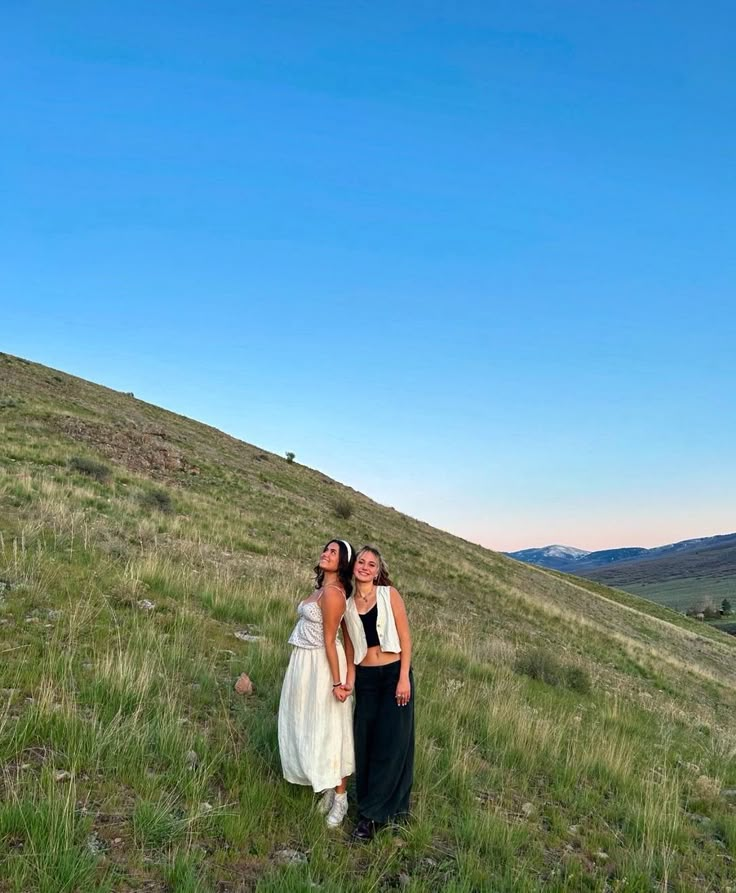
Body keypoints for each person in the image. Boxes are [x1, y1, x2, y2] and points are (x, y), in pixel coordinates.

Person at [278, 539, 356, 828]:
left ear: (342, 562)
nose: (326, 553)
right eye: (326, 549)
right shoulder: (321, 590)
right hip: (305, 663)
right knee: (310, 724)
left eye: (333, 552)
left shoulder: (335, 593)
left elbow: (332, 639)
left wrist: (339, 681)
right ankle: (325, 785)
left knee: (331, 729)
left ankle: (341, 798)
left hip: (322, 666)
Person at [340, 545, 414, 840]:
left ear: (378, 570)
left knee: (393, 743)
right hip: (367, 680)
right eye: (361, 562)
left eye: (372, 564)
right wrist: (348, 682)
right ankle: (370, 806)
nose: (366, 567)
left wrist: (404, 678)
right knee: (366, 742)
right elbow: (349, 650)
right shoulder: (346, 605)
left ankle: (373, 817)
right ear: (354, 566)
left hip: (395, 676)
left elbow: (406, 639)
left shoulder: (389, 595)